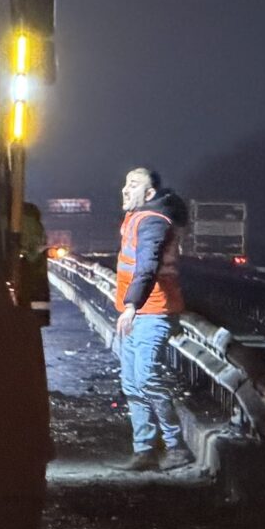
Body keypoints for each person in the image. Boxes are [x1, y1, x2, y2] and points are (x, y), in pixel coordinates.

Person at [113, 165, 191, 473]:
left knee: (145, 378)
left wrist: (131, 305)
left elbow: (147, 265)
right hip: (137, 313)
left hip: (153, 312)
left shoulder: (152, 221)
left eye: (133, 185)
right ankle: (144, 450)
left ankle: (176, 447)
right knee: (132, 383)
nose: (124, 189)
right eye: (125, 182)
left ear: (149, 194)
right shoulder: (136, 218)